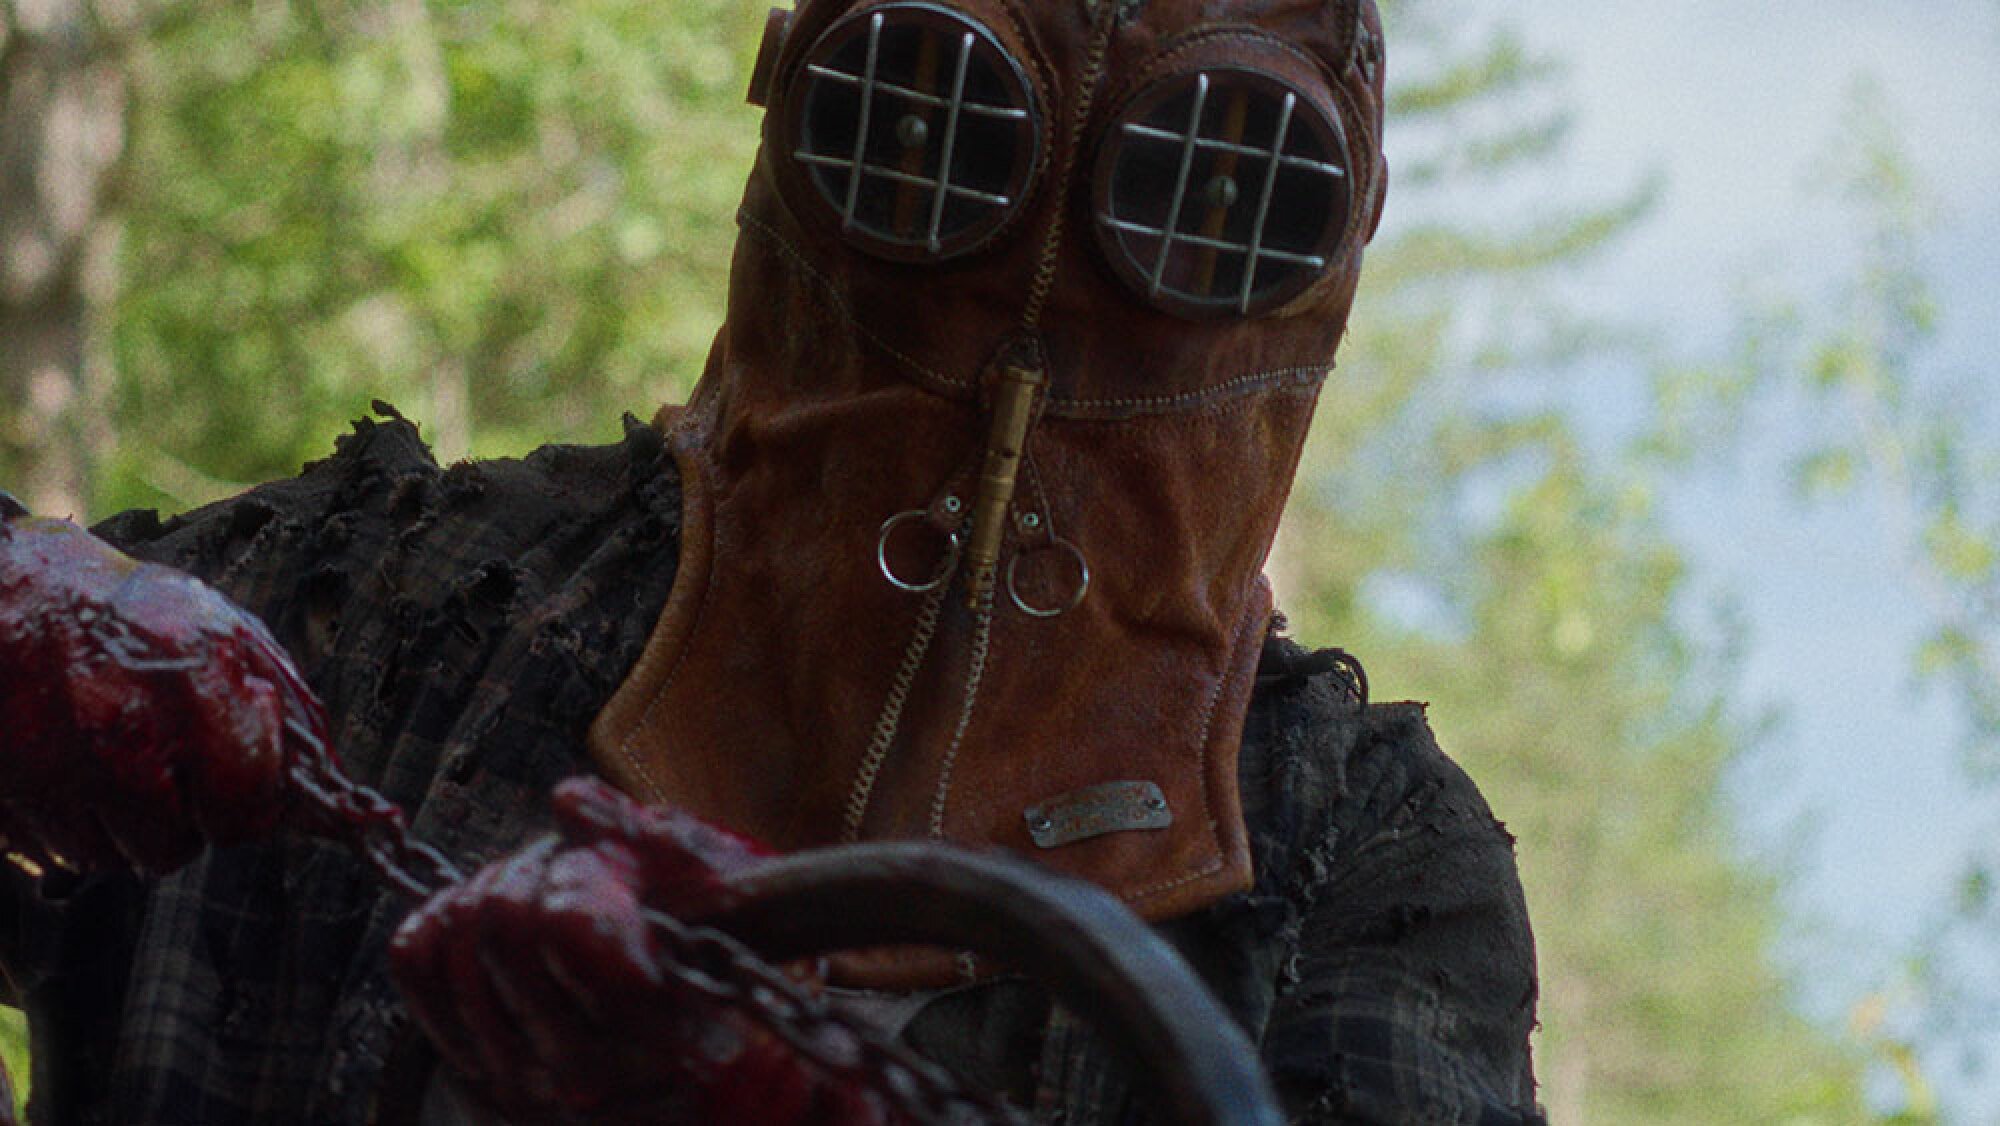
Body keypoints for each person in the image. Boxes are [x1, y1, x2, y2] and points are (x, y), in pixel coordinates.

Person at [0, 0, 1544, 1122]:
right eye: (924, 108)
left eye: (1222, 193)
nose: (1039, 279)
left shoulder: (1356, 852)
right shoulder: (384, 606)